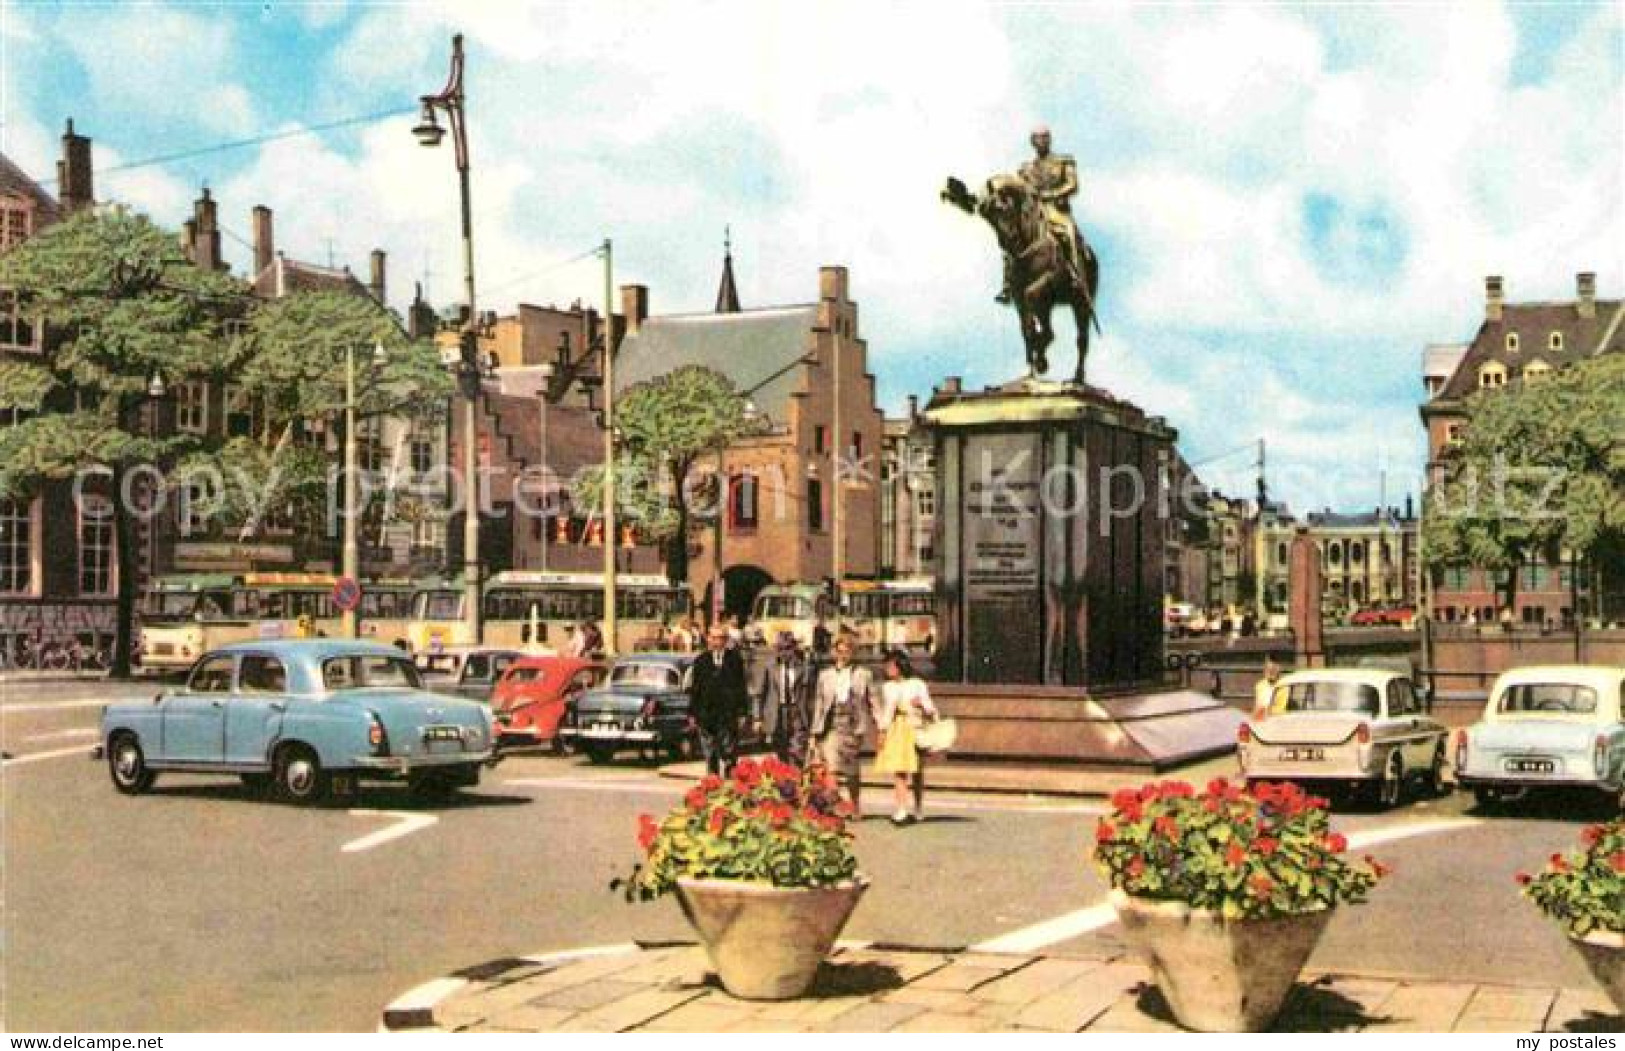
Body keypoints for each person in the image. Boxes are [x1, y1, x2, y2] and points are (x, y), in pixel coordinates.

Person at [810, 634, 875, 814]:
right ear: (834, 652)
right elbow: (819, 704)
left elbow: (873, 700)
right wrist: (815, 732)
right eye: (839, 652)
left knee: (851, 770)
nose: (843, 655)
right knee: (831, 765)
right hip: (831, 724)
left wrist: (880, 725)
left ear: (853, 653)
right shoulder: (825, 675)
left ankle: (855, 804)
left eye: (847, 652)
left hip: (852, 725)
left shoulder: (863, 674)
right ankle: (835, 804)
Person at [873, 649, 939, 825]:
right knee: (899, 770)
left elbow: (930, 708)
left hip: (915, 727)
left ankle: (918, 808)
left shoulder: (917, 684)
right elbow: (887, 712)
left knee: (916, 770)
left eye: (891, 666)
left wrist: (922, 706)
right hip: (897, 728)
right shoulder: (888, 687)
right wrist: (882, 732)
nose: (888, 669)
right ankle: (901, 809)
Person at [687, 623, 749, 776]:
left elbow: (741, 687)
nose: (716, 642)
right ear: (708, 639)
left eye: (720, 638)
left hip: (727, 715)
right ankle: (712, 782)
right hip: (706, 715)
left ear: (726, 640)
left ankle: (730, 780)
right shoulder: (701, 661)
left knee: (729, 752)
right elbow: (695, 689)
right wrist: (692, 714)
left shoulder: (734, 659)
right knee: (710, 753)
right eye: (713, 638)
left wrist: (742, 712)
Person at [752, 632, 812, 766]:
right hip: (777, 712)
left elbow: (809, 694)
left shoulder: (804, 667)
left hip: (796, 712)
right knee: (781, 751)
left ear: (793, 648)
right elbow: (759, 693)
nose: (783, 652)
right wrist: (757, 718)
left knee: (797, 751)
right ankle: (786, 780)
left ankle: (796, 777)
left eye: (787, 648)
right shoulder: (769, 666)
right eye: (780, 649)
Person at [1253, 656, 1282, 721]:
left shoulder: (1284, 685)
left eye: (1273, 670)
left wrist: (1265, 710)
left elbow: (1281, 709)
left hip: (1277, 720)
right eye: (1268, 669)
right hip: (1261, 719)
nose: (1271, 672)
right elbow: (1257, 706)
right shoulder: (1259, 685)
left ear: (1278, 670)